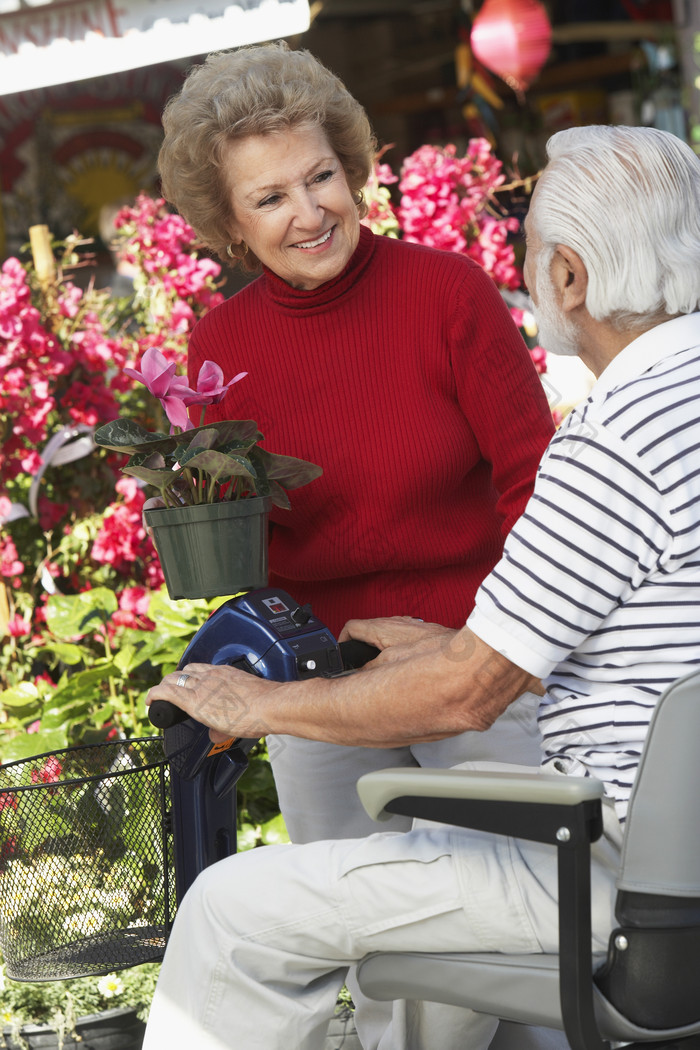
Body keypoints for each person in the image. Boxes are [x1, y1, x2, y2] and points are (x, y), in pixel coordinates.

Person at [143, 122, 700, 1050]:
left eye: (320, 178)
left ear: (568, 278)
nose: (308, 209)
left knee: (231, 912)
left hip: (616, 865)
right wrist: (455, 648)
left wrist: (261, 700)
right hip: (648, 845)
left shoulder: (614, 443)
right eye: (270, 196)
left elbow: (471, 692)